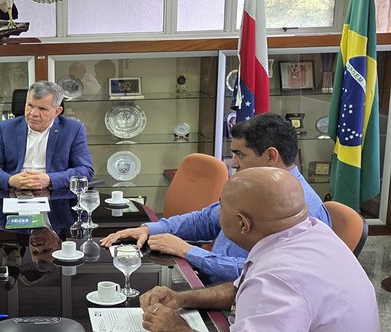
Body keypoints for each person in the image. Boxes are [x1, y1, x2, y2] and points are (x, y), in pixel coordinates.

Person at [138, 167, 391, 332]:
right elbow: (240, 289)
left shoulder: (280, 276)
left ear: (243, 224)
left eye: (221, 208)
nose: (217, 214)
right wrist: (181, 299)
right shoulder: (311, 233)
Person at [101, 113, 330, 284]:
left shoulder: (301, 209)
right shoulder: (255, 186)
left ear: (271, 156)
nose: (234, 163)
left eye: (240, 154)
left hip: (235, 300)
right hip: (209, 279)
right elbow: (207, 220)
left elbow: (265, 272)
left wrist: (189, 252)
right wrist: (152, 229)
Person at [0, 80, 93, 191]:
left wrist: (50, 179)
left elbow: (84, 169)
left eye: (42, 109)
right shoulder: (5, 128)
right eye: (30, 105)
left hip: (55, 194)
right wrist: (9, 180)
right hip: (14, 193)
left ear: (57, 111)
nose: (33, 113)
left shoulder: (73, 129)